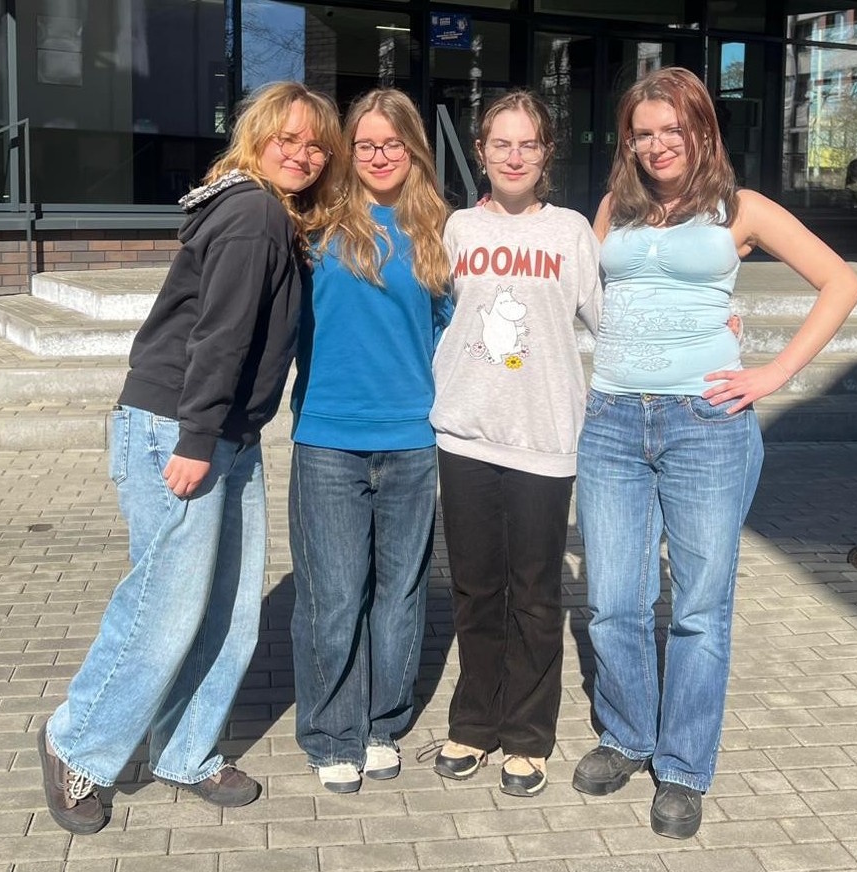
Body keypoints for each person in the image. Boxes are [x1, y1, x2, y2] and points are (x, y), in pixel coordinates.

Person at [36, 81, 344, 835]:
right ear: (257, 138)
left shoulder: (270, 214)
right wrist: (197, 438)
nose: (303, 154)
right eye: (288, 139)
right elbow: (220, 334)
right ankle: (77, 742)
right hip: (181, 428)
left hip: (227, 434)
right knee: (164, 608)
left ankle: (183, 750)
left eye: (316, 145)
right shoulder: (253, 214)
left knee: (231, 612)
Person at [573, 67, 857, 839]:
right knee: (613, 599)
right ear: (627, 142)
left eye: (672, 128)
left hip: (704, 426)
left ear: (701, 130)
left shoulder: (741, 208)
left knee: (698, 609)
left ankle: (682, 766)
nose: (657, 144)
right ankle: (626, 735)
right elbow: (584, 294)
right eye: (642, 132)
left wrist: (773, 371)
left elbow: (839, 283)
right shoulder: (613, 208)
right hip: (610, 422)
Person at [429, 90, 603, 796]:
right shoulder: (457, 228)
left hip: (544, 437)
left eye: (527, 144)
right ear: (480, 151)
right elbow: (431, 313)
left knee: (534, 594)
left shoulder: (570, 233)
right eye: (501, 143)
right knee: (475, 589)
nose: (513, 156)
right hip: (465, 434)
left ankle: (527, 735)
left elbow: (612, 320)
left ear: (545, 153)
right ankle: (474, 721)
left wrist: (716, 324)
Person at [288, 88, 451, 794]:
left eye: (393, 143)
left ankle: (383, 723)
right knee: (332, 596)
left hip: (412, 439)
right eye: (365, 144)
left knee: (399, 595)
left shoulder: (440, 231)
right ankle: (331, 733)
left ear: (413, 149)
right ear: (347, 151)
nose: (380, 156)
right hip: (328, 438)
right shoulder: (312, 225)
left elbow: (462, 330)